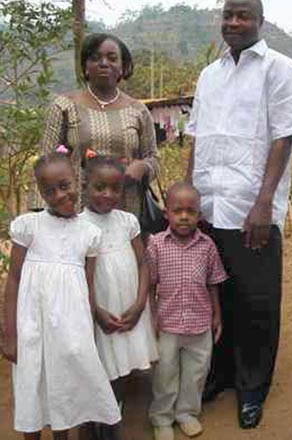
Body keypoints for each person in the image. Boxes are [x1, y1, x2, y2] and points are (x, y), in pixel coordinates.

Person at [186, 0, 292, 429]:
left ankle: (252, 386)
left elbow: (285, 136)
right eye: (228, 15)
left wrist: (263, 203)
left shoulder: (280, 69)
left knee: (256, 300)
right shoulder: (209, 75)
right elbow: (197, 136)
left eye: (243, 16)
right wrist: (188, 191)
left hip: (249, 208)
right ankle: (220, 374)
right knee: (216, 295)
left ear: (260, 21)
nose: (234, 22)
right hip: (209, 204)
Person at [2, 152, 122, 440]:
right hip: (32, 328)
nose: (59, 195)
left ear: (78, 181)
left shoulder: (90, 234)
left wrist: (93, 325)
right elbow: (15, 280)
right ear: (40, 193)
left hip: (70, 330)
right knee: (31, 387)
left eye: (65, 185)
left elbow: (88, 285)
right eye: (49, 191)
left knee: (64, 391)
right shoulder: (28, 226)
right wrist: (10, 334)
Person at [29, 33, 159, 217]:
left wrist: (143, 167)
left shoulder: (138, 111)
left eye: (112, 58)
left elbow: (153, 157)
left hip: (126, 213)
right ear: (85, 68)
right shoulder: (64, 106)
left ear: (122, 67)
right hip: (75, 214)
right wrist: (40, 214)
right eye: (95, 58)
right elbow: (45, 161)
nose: (104, 63)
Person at [81, 155, 158, 436]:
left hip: (129, 305)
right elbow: (79, 277)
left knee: (122, 358)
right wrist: (96, 310)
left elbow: (142, 263)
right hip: (100, 308)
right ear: (84, 185)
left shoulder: (127, 221)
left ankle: (115, 409)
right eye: (99, 187)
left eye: (115, 189)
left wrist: (140, 304)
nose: (108, 195)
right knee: (102, 360)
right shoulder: (78, 225)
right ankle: (98, 418)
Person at [146, 183, 227, 440]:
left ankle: (187, 413)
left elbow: (213, 283)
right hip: (167, 323)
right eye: (177, 210)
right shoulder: (156, 245)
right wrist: (152, 315)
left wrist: (217, 315)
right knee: (164, 375)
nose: (184, 216)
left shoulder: (207, 246)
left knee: (195, 373)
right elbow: (149, 285)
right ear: (166, 213)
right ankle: (162, 418)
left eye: (190, 211)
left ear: (199, 215)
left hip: (200, 323)